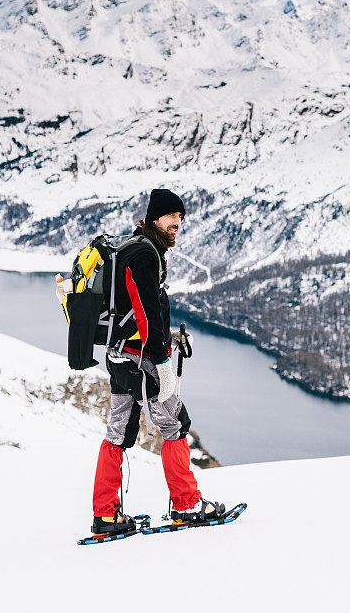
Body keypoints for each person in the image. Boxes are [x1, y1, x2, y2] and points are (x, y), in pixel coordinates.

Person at [91, 188, 225, 535]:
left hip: (118, 353)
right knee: (175, 424)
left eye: (180, 218)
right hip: (143, 359)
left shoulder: (133, 247)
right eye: (170, 217)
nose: (176, 224)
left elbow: (140, 311)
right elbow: (146, 312)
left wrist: (171, 338)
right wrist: (163, 359)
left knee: (118, 432)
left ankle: (105, 515)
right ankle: (186, 504)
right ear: (154, 218)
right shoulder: (145, 256)